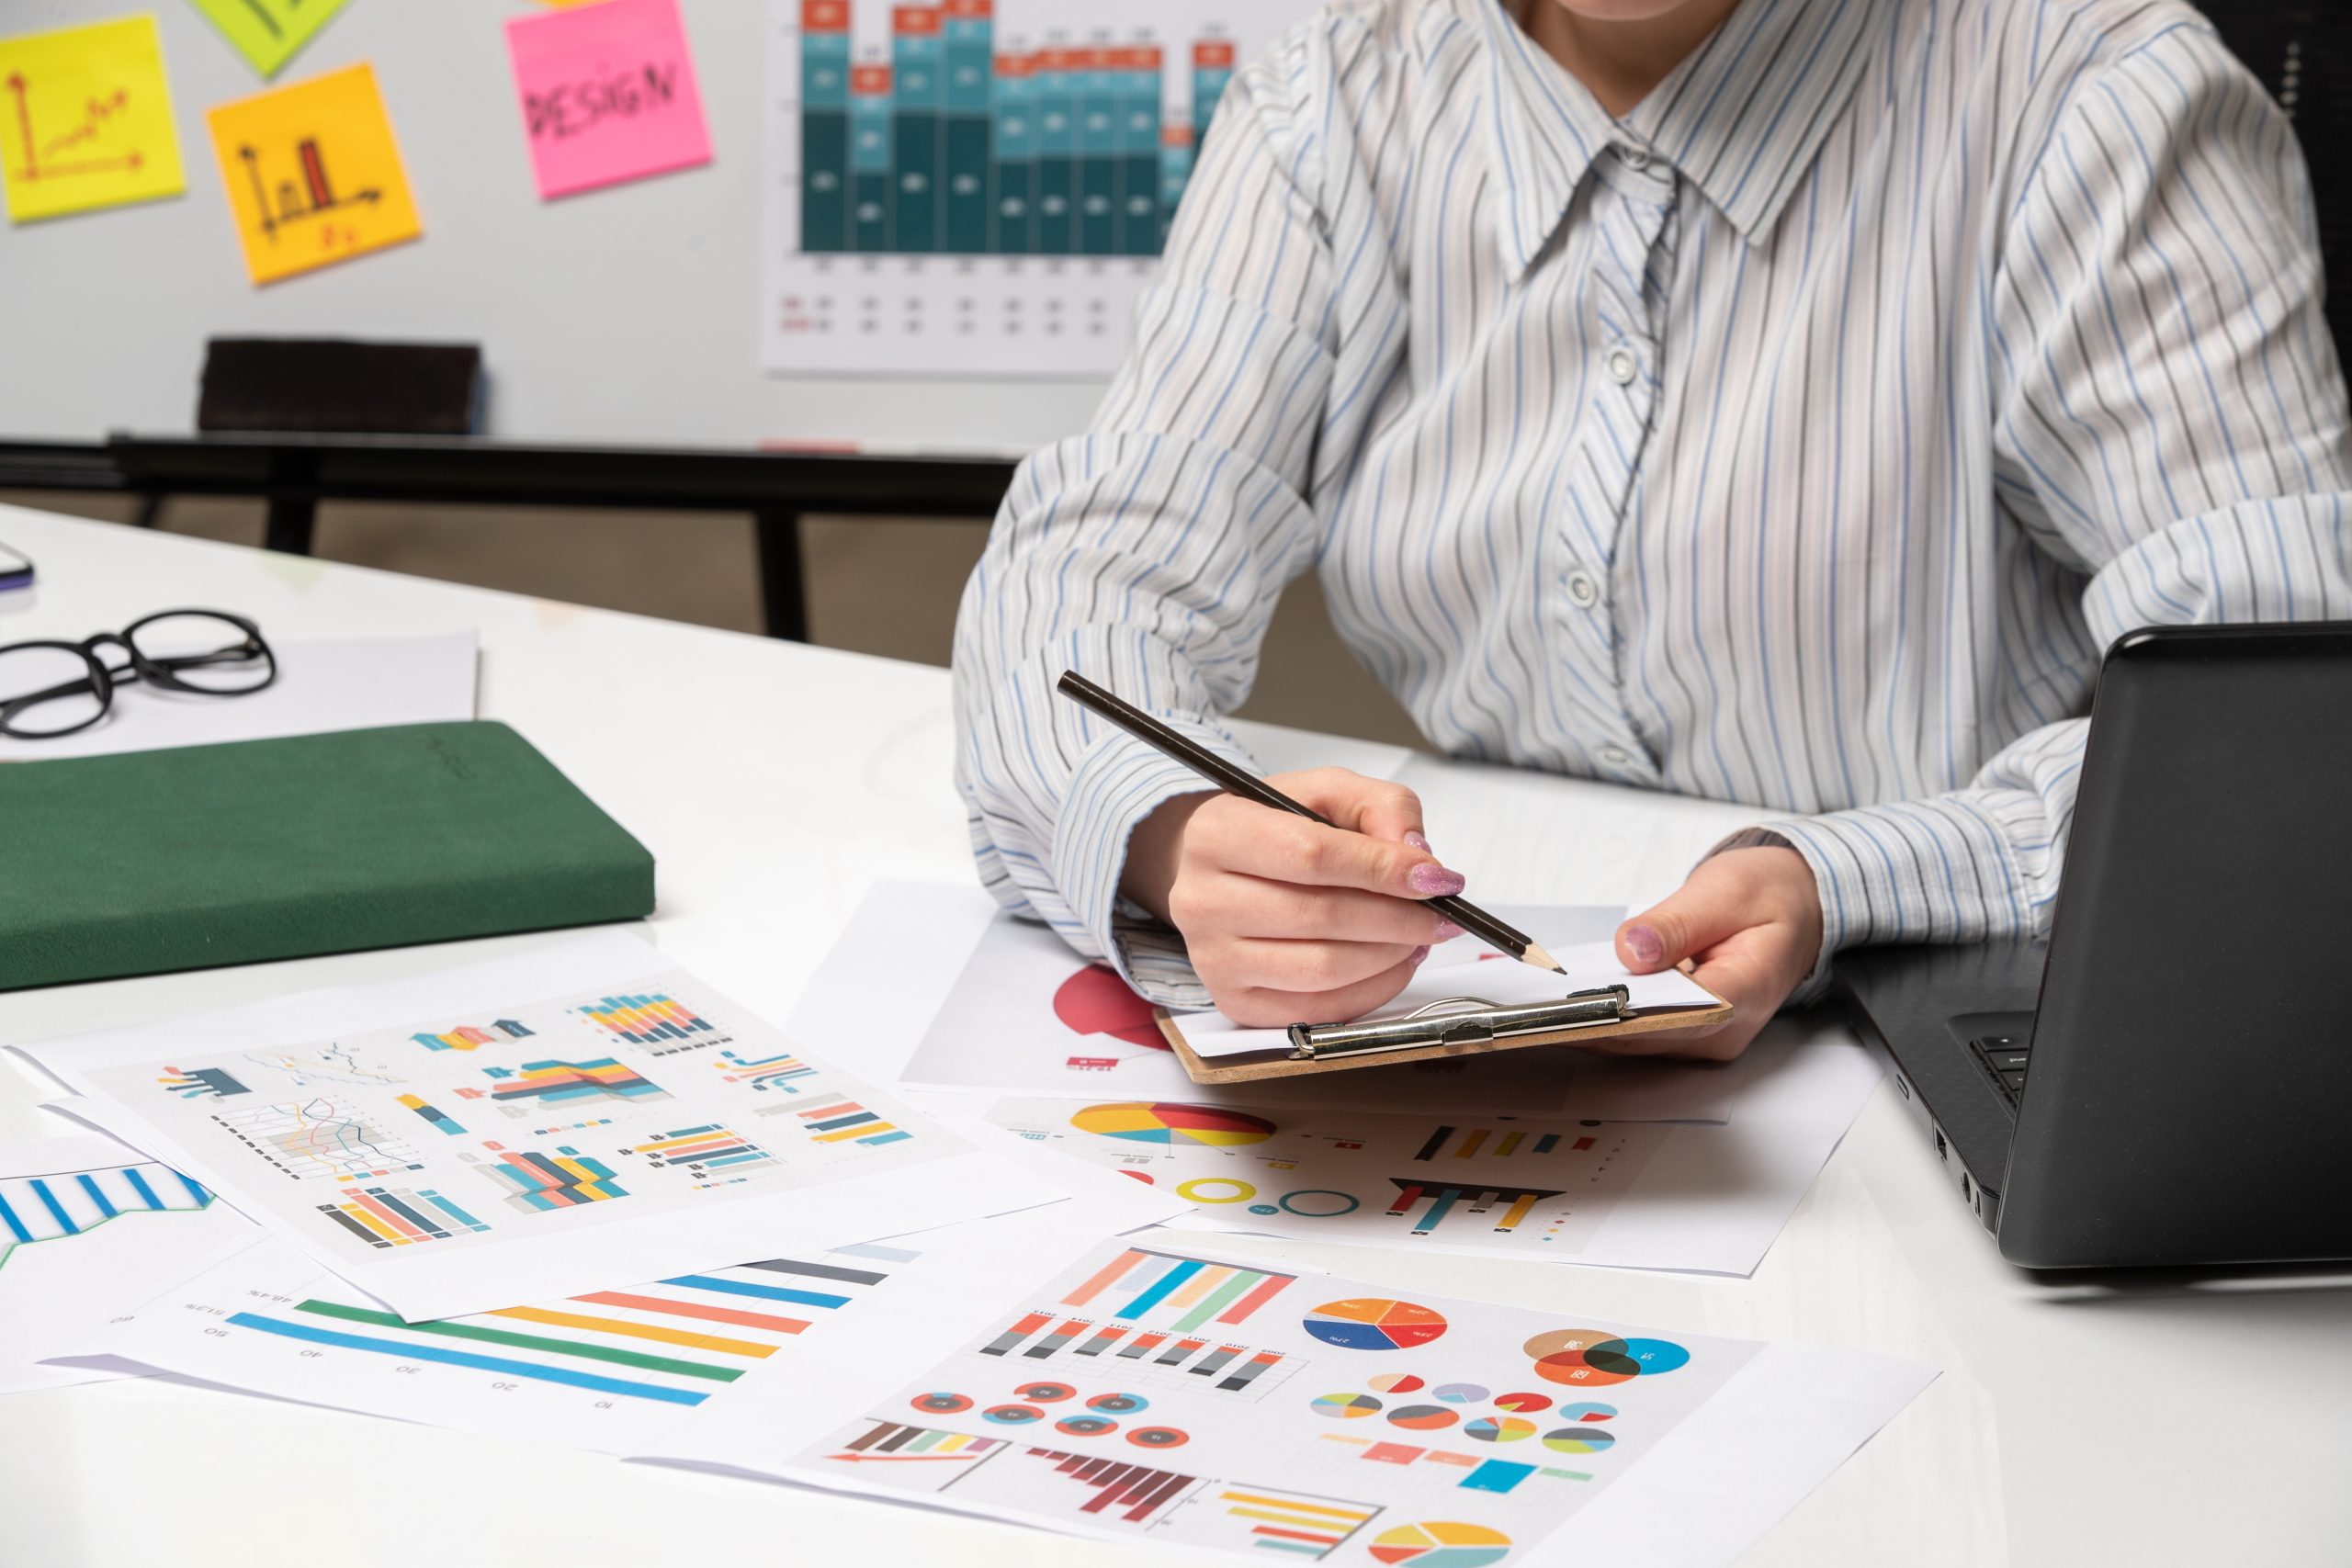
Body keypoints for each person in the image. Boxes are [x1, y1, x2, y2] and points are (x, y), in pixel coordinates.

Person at [951, 0, 2352, 1057]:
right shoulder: (1341, 93)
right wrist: (1175, 830)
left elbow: (2279, 740)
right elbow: (1083, 582)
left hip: (1962, 1022)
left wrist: (1851, 875)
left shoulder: (2095, 98)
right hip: (1503, 1018)